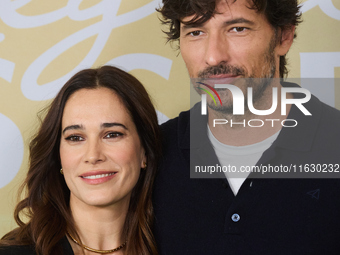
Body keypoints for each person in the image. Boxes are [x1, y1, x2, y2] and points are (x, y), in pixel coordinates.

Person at [153, 0, 340, 254]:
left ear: (284, 36)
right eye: (196, 32)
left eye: (237, 28)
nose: (213, 56)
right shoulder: (153, 153)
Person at [0, 66, 161, 255]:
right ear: (58, 156)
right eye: (75, 137)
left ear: (144, 152)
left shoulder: (179, 244)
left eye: (112, 134)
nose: (93, 156)